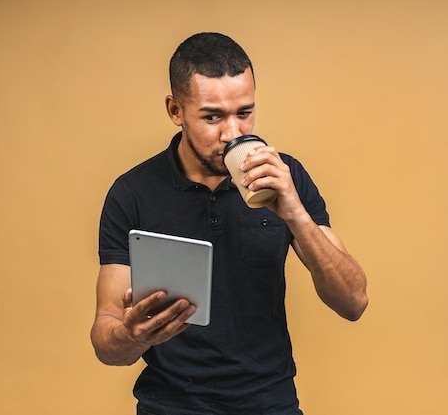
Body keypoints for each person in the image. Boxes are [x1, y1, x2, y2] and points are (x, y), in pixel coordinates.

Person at [90, 32, 368, 415]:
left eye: (244, 112)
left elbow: (353, 302)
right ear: (175, 111)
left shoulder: (286, 177)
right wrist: (129, 335)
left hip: (270, 403)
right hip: (170, 406)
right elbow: (107, 343)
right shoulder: (132, 192)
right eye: (212, 116)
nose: (232, 134)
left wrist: (294, 212)